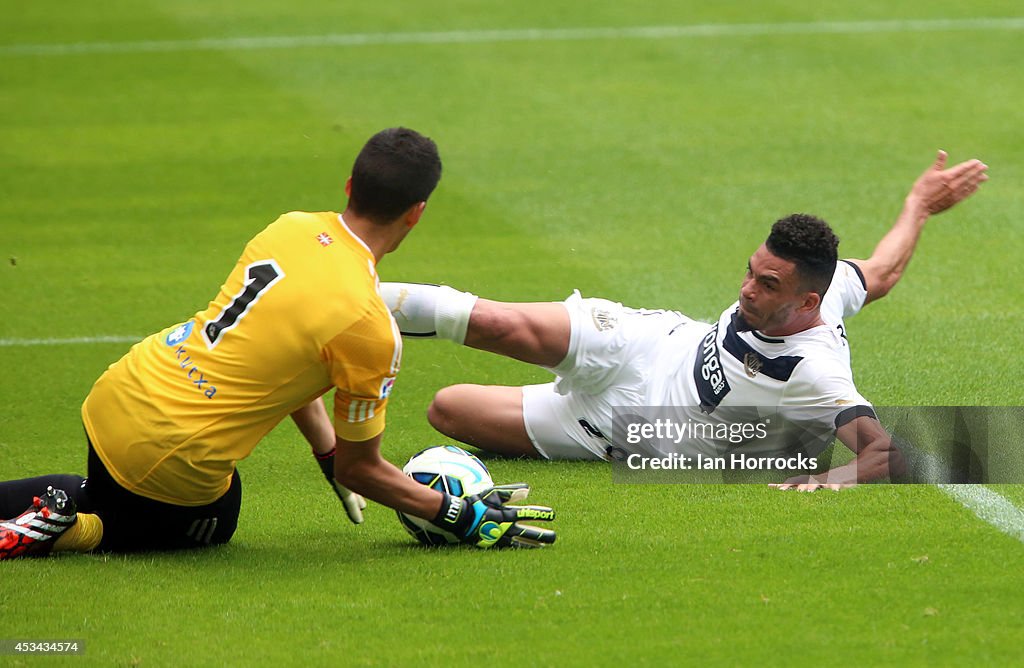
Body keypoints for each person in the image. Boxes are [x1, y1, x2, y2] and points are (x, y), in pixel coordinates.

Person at [0, 128, 555, 560]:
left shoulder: (289, 227)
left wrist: (325, 449)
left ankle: (60, 506)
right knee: (213, 521)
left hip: (121, 392)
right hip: (171, 455)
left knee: (100, 488)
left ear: (349, 186)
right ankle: (73, 530)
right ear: (417, 212)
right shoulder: (368, 326)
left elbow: (283, 356)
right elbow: (361, 471)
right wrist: (455, 513)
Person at [380, 151, 988, 491]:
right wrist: (919, 205)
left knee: (447, 408)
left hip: (626, 431)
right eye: (750, 270)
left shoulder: (818, 371)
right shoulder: (828, 287)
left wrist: (829, 482)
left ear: (809, 303)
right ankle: (352, 294)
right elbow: (880, 271)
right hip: (645, 343)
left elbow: (887, 455)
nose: (747, 289)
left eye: (767, 285)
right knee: (501, 325)